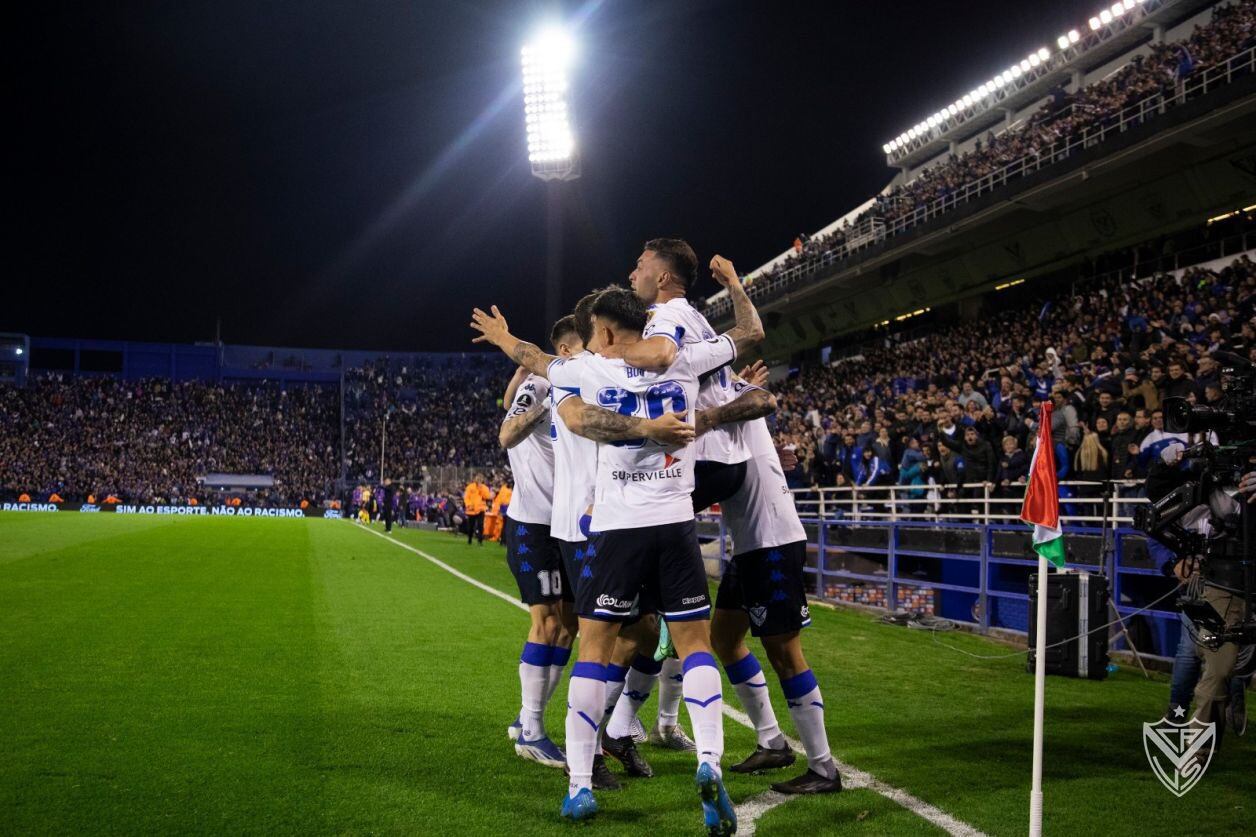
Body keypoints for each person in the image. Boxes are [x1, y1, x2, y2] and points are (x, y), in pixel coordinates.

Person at [471, 256, 763, 830]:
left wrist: (507, 339)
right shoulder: (684, 358)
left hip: (613, 529)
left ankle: (580, 784)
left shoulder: (590, 368)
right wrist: (733, 285)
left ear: (603, 329)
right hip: (677, 522)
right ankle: (710, 761)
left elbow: (543, 370)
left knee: (595, 649)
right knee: (693, 643)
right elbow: (750, 333)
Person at [703, 378, 843, 795]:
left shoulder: (725, 396)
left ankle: (823, 769)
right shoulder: (727, 392)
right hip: (750, 542)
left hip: (772, 540)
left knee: (785, 651)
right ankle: (772, 742)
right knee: (724, 638)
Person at [463, 474, 491, 545]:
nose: (479, 480)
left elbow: (487, 496)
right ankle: (469, 539)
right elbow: (466, 497)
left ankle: (480, 540)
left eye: (480, 479)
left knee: (480, 525)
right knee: (471, 526)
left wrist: (481, 489)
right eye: (477, 478)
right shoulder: (470, 487)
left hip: (481, 509)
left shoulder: (485, 488)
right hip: (471, 510)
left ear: (482, 480)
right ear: (475, 479)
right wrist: (468, 505)